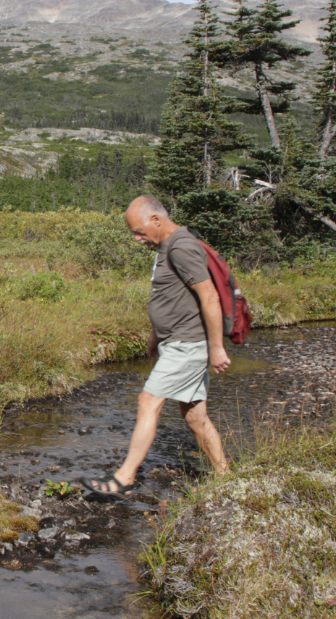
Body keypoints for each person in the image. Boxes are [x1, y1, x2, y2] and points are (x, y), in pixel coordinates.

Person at [81, 195, 230, 499]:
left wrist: (216, 347)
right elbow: (171, 299)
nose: (137, 239)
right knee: (194, 416)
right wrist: (155, 337)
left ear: (156, 220)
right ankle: (226, 476)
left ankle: (124, 479)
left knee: (148, 401)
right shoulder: (167, 246)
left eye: (138, 231)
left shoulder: (181, 245)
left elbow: (210, 297)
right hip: (176, 341)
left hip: (187, 344)